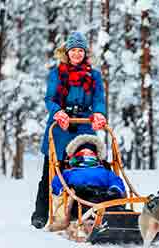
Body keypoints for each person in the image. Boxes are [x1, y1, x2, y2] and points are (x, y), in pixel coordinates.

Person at [31, 31, 108, 229]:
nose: (76, 54)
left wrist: (99, 113)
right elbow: (50, 98)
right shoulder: (57, 73)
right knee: (51, 171)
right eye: (73, 50)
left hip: (83, 124)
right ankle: (42, 213)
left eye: (80, 50)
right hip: (60, 128)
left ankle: (90, 208)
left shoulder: (94, 75)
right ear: (67, 52)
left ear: (85, 53)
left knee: (89, 166)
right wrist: (58, 112)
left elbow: (99, 99)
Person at [48, 135, 125, 231]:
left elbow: (56, 185)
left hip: (102, 197)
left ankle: (118, 216)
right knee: (88, 201)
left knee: (110, 202)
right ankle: (111, 218)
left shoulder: (69, 172)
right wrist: (116, 189)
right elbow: (116, 182)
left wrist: (115, 190)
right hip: (82, 199)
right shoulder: (70, 172)